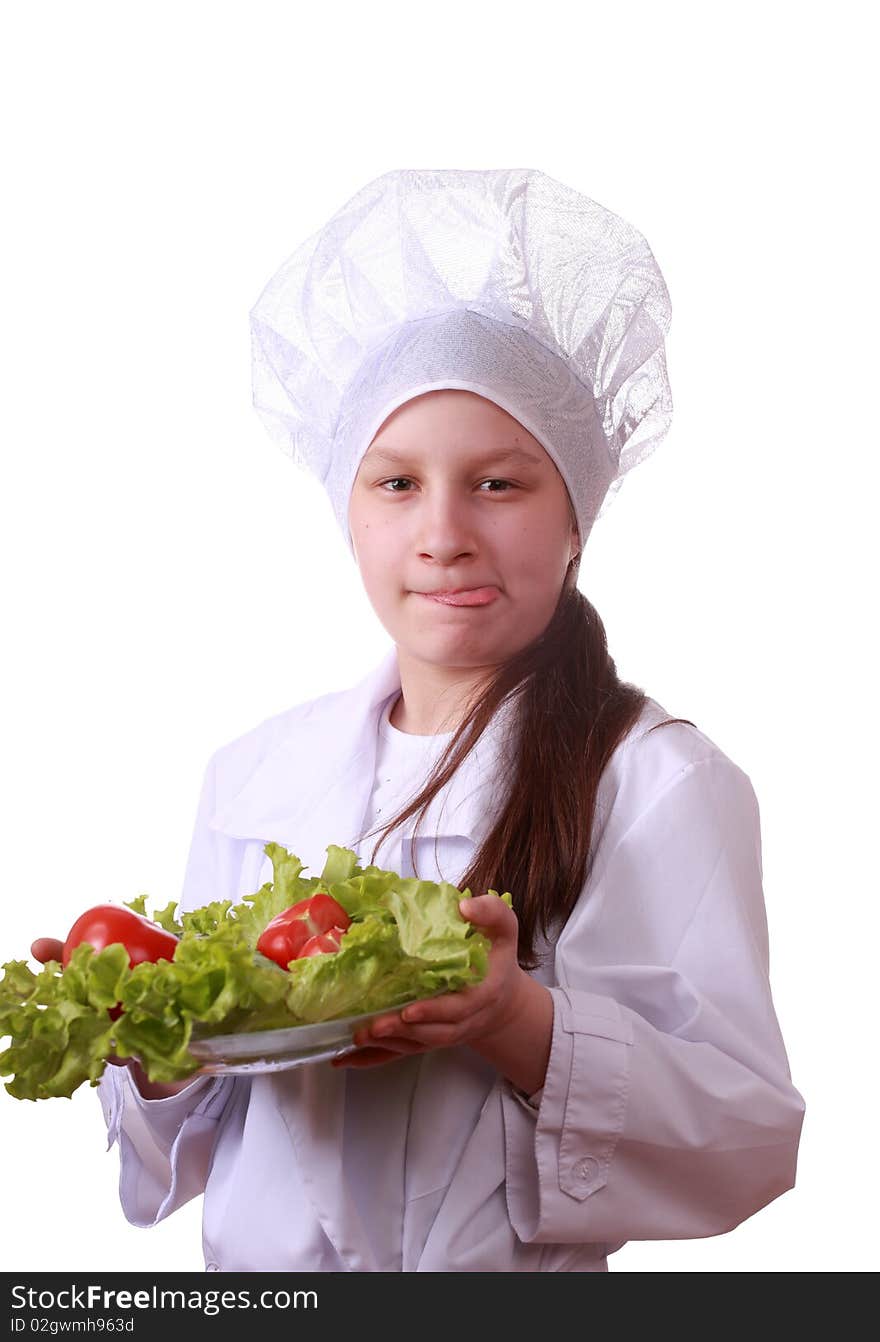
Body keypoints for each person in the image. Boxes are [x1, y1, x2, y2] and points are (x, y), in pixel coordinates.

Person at [32, 169, 805, 1271]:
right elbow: (194, 1140)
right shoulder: (254, 774)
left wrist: (516, 1022)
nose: (442, 533)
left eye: (498, 484)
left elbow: (746, 1139)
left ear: (577, 518)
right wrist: (150, 1042)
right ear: (347, 511)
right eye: (396, 484)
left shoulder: (654, 782)